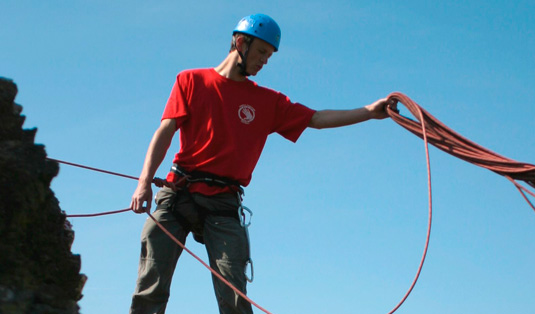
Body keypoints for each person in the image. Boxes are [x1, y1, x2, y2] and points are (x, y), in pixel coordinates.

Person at [129, 13, 396, 314]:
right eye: (261, 53)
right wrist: (143, 183)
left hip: (223, 205)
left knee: (235, 298)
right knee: (150, 288)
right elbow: (165, 131)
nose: (265, 62)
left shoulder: (268, 102)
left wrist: (370, 112)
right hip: (178, 193)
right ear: (241, 42)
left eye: (269, 56)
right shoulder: (190, 80)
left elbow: (317, 119)